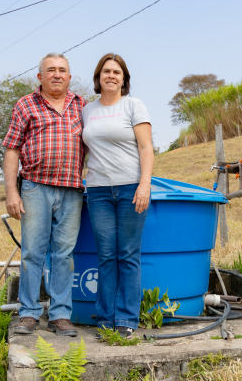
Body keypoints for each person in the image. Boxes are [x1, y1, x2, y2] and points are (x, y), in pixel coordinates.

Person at [2, 52, 86, 337]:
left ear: (70, 76)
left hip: (72, 189)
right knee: (32, 253)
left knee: (64, 254)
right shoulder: (26, 105)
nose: (57, 74)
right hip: (35, 187)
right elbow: (12, 149)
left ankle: (60, 315)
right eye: (51, 70)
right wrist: (12, 192)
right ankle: (28, 313)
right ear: (40, 76)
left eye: (62, 70)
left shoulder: (81, 106)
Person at [82, 53, 154, 339]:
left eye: (117, 72)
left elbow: (146, 148)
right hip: (98, 191)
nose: (111, 76)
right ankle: (104, 319)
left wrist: (144, 185)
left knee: (128, 254)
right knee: (106, 255)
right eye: (106, 71)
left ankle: (126, 319)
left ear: (124, 79)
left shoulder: (134, 106)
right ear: (98, 78)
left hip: (130, 188)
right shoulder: (87, 110)